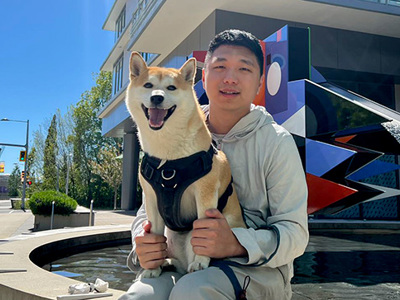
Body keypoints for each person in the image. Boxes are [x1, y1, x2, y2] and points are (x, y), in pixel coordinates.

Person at [120, 29, 309, 300]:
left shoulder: (277, 143)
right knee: (140, 297)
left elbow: (296, 233)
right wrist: (143, 239)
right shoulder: (167, 129)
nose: (230, 78)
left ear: (259, 82)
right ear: (204, 77)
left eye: (244, 68)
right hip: (180, 258)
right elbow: (149, 204)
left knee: (193, 292)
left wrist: (236, 243)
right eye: (220, 67)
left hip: (255, 269)